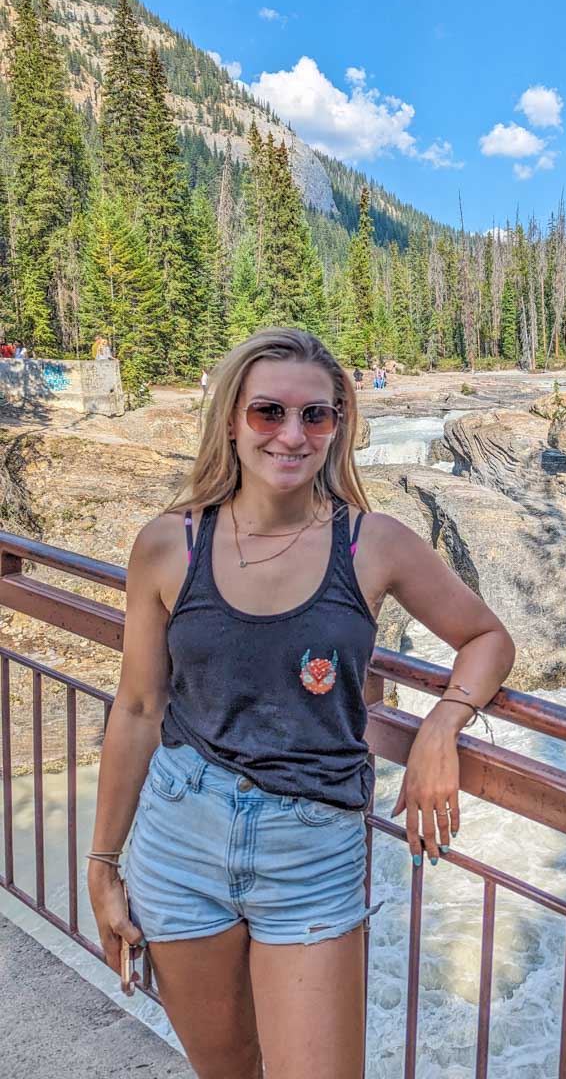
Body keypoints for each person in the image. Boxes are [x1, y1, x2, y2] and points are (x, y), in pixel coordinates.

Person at [87, 327, 514, 1079]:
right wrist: (101, 862)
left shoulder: (372, 543)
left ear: (339, 423)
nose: (293, 435)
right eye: (269, 413)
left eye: (316, 416)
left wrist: (443, 724)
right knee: (228, 1070)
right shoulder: (169, 545)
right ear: (231, 421)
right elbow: (139, 709)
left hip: (312, 845)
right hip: (180, 834)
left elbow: (484, 637)